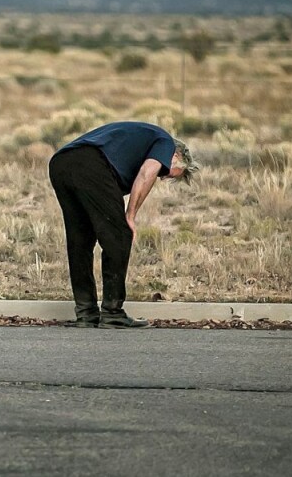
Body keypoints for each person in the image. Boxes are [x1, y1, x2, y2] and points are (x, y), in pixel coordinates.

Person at [48, 121, 199, 328]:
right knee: (120, 235)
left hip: (61, 163)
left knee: (80, 241)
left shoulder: (139, 141)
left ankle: (86, 314)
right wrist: (130, 215)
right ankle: (112, 313)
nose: (162, 178)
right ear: (176, 156)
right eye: (167, 173)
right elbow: (147, 174)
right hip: (91, 163)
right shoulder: (165, 142)